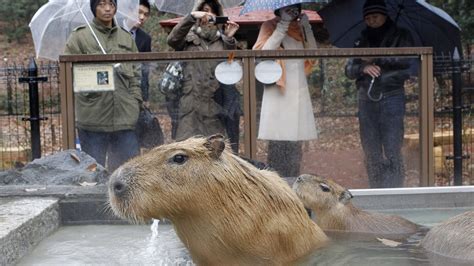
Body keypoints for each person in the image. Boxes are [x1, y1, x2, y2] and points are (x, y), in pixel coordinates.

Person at [64, 0, 142, 171]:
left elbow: (136, 73)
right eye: (101, 4)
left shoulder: (126, 37)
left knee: (129, 173)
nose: (107, 9)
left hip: (124, 117)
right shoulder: (80, 37)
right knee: (93, 173)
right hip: (93, 117)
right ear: (93, 8)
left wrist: (136, 101)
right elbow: (68, 73)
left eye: (111, 4)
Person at [345, 0, 414, 188]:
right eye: (367, 18)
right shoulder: (361, 39)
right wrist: (363, 67)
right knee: (371, 148)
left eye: (374, 16)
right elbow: (349, 69)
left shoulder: (401, 36)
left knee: (392, 146)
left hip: (392, 95)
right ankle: (375, 188)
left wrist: (377, 57)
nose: (371, 21)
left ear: (384, 15)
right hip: (366, 97)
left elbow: (407, 62)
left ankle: (394, 189)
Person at [253, 4, 318, 177]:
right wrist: (282, 24)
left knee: (295, 141)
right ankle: (275, 181)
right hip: (278, 90)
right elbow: (264, 51)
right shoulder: (269, 26)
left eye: (294, 8)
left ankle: (294, 178)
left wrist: (306, 27)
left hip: (298, 89)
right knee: (277, 139)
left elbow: (313, 54)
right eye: (287, 8)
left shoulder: (300, 27)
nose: (292, 11)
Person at [166, 0, 239, 141]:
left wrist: (229, 39)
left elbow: (231, 67)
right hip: (189, 108)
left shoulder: (224, 42)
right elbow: (172, 40)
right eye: (205, 10)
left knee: (215, 153)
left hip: (214, 110)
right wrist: (192, 16)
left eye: (213, 12)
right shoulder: (188, 38)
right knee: (184, 151)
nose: (209, 15)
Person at [129, 0, 152, 105]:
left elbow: (145, 70)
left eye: (146, 15)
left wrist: (145, 97)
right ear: (129, 11)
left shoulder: (145, 39)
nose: (142, 17)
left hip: (135, 90)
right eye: (139, 12)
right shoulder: (116, 30)